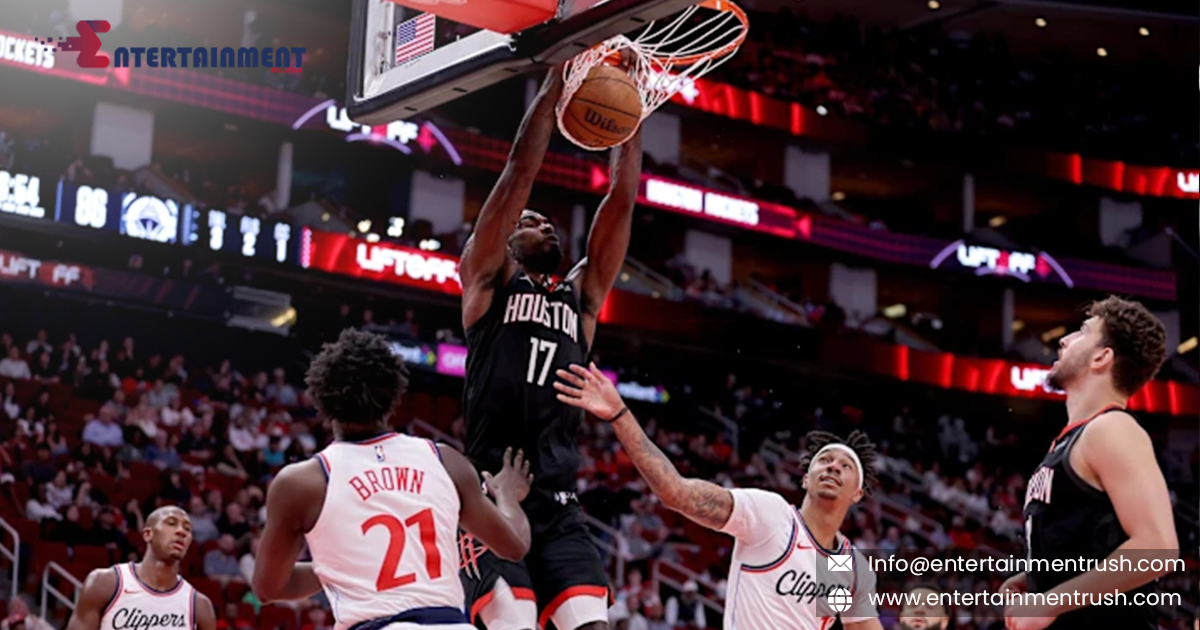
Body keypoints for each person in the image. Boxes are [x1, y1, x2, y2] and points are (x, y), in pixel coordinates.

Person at [458, 61, 643, 630]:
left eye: (552, 224)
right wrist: (559, 80)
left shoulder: (582, 298)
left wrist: (630, 112)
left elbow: (622, 199)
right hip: (490, 493)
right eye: (534, 221)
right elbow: (519, 170)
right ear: (508, 235)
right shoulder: (488, 281)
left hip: (560, 503)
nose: (549, 226)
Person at [553, 363, 884, 630]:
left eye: (845, 465)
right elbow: (676, 493)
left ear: (858, 493)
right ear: (805, 477)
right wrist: (620, 415)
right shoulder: (771, 516)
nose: (833, 467)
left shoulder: (851, 567)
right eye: (824, 460)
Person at [251, 329, 533, 630]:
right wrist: (506, 496)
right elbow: (514, 546)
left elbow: (269, 589)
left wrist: (342, 566)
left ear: (321, 396)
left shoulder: (302, 482)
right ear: (394, 394)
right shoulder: (445, 460)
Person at [1002, 297, 1178, 630]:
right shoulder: (1073, 440)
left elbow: (1157, 547)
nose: (1064, 340)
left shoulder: (1112, 428)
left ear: (1101, 357)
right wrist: (1037, 579)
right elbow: (1088, 546)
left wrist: (1051, 602)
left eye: (1082, 332)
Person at [65, 505, 217, 630]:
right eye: (171, 523)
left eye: (187, 529)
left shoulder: (200, 606)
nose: (181, 532)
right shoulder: (105, 583)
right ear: (148, 534)